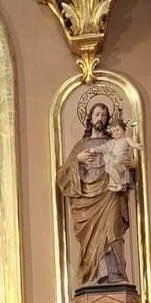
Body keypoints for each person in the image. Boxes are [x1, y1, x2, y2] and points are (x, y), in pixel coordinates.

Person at [56, 98, 137, 286]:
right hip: (88, 200)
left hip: (111, 194)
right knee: (92, 239)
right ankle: (94, 276)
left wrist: (133, 167)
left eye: (104, 115)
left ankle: (116, 275)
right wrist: (77, 159)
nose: (100, 118)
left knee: (113, 231)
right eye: (97, 114)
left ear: (107, 119)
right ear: (90, 118)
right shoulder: (81, 145)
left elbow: (125, 167)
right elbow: (62, 176)